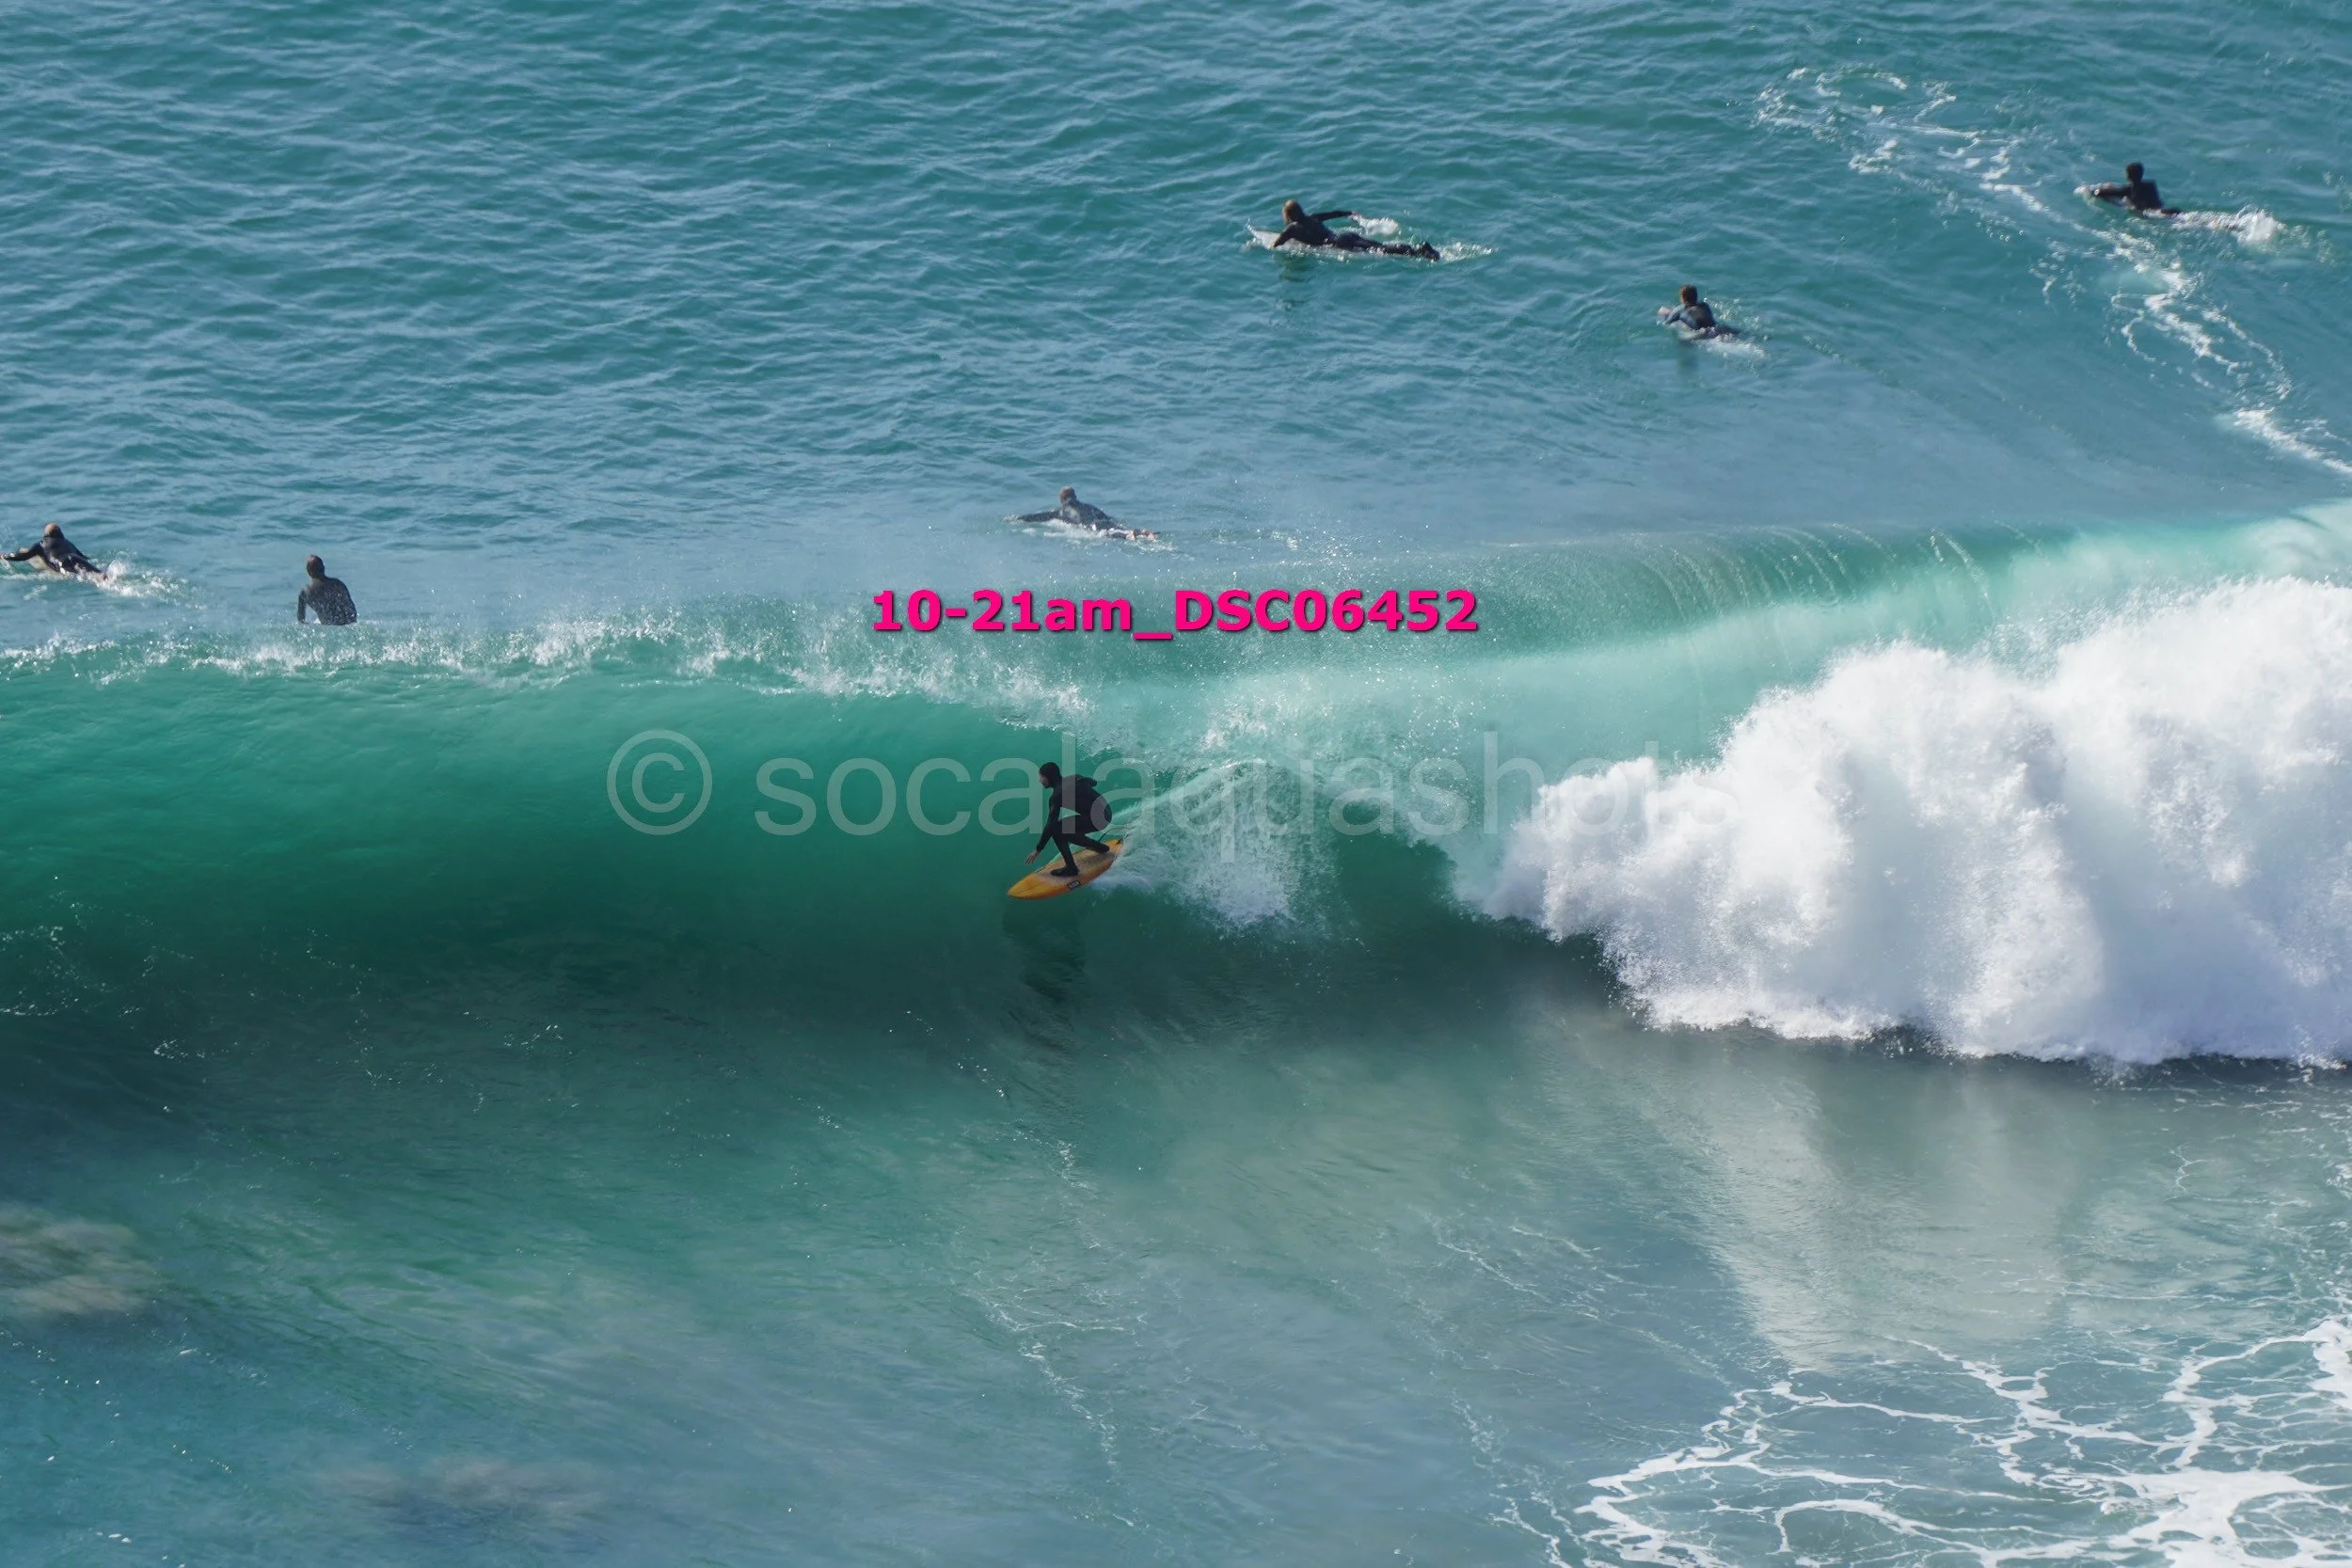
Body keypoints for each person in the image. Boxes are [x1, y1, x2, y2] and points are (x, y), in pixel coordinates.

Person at [1026, 762, 1116, 879]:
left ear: (1048, 778)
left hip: (1099, 819)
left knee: (1057, 830)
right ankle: (1100, 848)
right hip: (1107, 812)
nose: (1040, 780)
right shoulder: (1075, 777)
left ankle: (1071, 868)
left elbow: (1050, 824)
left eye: (1041, 777)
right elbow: (1093, 782)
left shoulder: (1056, 796)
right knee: (1066, 830)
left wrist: (1038, 849)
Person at [1270, 199, 1440, 261]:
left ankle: (1419, 253)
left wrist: (1261, 246)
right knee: (1380, 245)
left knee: (1380, 250)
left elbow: (1276, 244)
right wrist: (1349, 213)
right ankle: (1418, 249)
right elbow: (1334, 213)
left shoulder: (1292, 229)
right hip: (1344, 235)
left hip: (1337, 244)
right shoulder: (1312, 217)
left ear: (1288, 215)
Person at [1017, 487, 1156, 541]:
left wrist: (1019, 519)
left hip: (1095, 527)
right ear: (1075, 496)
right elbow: (1107, 517)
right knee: (1115, 528)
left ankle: (1130, 534)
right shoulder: (1088, 506)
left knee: (1111, 534)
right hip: (1105, 522)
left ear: (1062, 500)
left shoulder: (1061, 511)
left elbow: (1041, 517)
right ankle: (1139, 532)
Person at [4, 522, 103, 579]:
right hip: (75, 558)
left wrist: (5, 556)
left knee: (78, 577)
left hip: (62, 563)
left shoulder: (41, 544)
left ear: (46, 534)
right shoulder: (68, 543)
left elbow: (23, 556)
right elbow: (84, 557)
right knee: (98, 574)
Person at [2090, 163, 2175, 215]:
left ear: (2127, 176)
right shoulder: (2151, 185)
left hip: (2153, 214)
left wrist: (2088, 190)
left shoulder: (2128, 190)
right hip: (2167, 210)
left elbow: (2098, 193)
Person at [297, 555, 358, 625]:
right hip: (345, 626)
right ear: (323, 568)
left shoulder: (304, 593)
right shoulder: (337, 584)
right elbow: (351, 609)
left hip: (326, 628)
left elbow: (301, 620)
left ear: (308, 571)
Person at [1661, 285, 1737, 339]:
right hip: (1720, 328)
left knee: (1682, 341)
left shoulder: (1679, 311)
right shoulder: (1704, 304)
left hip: (1704, 333)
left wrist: (1666, 314)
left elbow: (1667, 323)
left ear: (1683, 298)